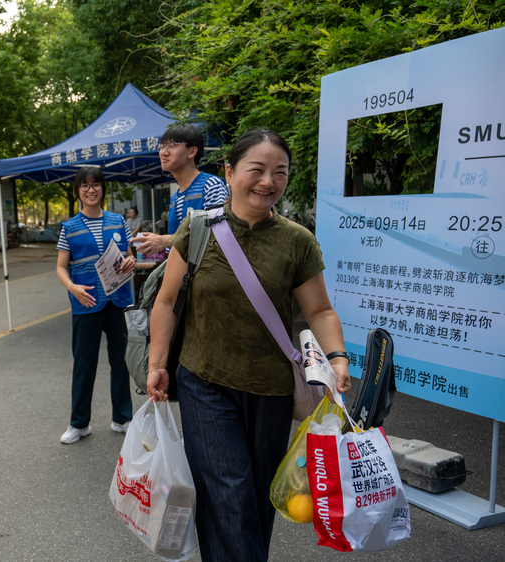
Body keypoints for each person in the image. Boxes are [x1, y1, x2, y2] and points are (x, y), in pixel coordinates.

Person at [146, 129, 353, 562]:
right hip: (205, 381)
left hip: (273, 389)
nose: (267, 182)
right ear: (230, 171)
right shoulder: (198, 227)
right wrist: (157, 363)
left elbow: (319, 312)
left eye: (280, 173)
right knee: (229, 490)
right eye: (256, 170)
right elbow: (165, 301)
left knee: (257, 498)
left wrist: (337, 358)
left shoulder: (297, 241)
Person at [55, 167, 136, 444]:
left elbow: (128, 255)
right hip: (86, 300)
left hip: (118, 299)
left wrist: (131, 260)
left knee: (121, 361)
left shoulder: (117, 220)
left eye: (96, 184)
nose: (91, 190)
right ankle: (79, 423)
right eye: (85, 185)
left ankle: (122, 418)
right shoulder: (69, 227)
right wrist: (72, 287)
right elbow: (61, 267)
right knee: (84, 364)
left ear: (103, 188)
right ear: (78, 191)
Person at [132, 123, 229, 255]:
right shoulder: (175, 198)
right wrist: (157, 242)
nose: (163, 152)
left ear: (192, 151)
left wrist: (165, 240)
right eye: (162, 147)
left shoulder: (211, 185)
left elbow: (217, 234)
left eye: (172, 146)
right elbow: (176, 248)